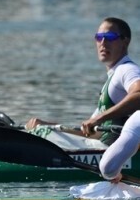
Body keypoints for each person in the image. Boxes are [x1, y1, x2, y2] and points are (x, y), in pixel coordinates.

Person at [26, 18, 140, 146]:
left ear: (125, 41)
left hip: (118, 154)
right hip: (104, 149)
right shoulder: (112, 80)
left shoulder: (127, 69)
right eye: (99, 37)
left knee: (41, 137)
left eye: (109, 37)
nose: (103, 42)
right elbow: (89, 133)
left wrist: (99, 118)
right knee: (43, 131)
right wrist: (49, 127)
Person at [99, 110, 140, 182]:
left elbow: (108, 170)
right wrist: (114, 174)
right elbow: (108, 169)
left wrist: (113, 174)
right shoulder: (137, 121)